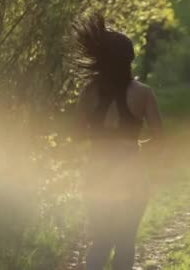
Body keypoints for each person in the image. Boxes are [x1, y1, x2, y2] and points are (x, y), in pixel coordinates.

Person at [69, 14, 163, 270]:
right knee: (124, 243)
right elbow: (160, 139)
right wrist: (135, 147)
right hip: (131, 175)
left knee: (100, 242)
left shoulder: (88, 93)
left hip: (96, 174)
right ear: (129, 59)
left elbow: (76, 135)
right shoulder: (143, 93)